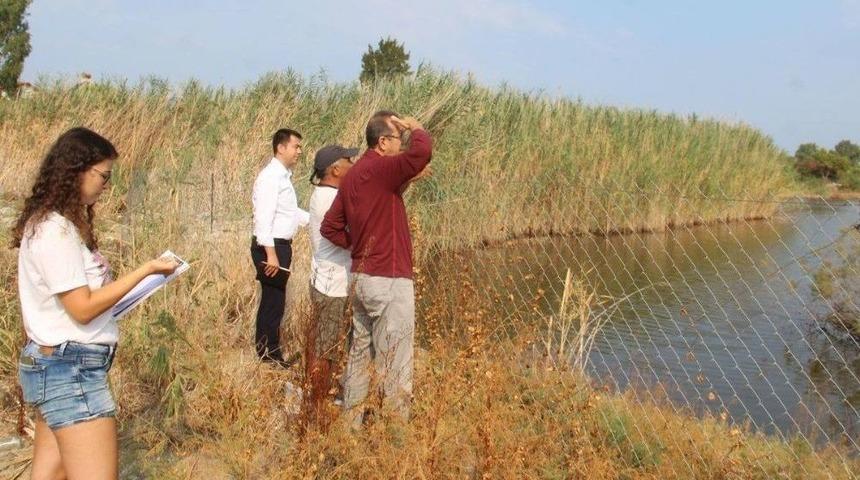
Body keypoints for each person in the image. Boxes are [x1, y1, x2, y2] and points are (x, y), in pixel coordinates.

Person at [12, 127, 179, 480]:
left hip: (56, 362)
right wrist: (145, 270)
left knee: (51, 471)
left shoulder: (54, 225)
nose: (107, 185)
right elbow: (83, 307)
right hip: (70, 368)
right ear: (77, 169)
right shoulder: (54, 231)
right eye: (104, 175)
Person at [320, 111, 432, 426]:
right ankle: (394, 441)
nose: (404, 141)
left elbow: (331, 227)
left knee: (359, 354)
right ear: (383, 142)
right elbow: (422, 152)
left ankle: (350, 427)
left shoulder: (354, 175)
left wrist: (358, 247)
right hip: (389, 278)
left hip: (361, 278)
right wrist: (418, 128)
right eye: (399, 137)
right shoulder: (382, 167)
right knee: (396, 360)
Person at [305, 145, 358, 423]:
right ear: (335, 169)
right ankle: (317, 402)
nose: (353, 163)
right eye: (349, 160)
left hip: (327, 278)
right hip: (332, 283)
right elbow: (345, 233)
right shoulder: (329, 198)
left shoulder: (325, 194)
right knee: (327, 347)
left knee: (327, 343)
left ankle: (322, 395)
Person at [250, 128, 309, 367]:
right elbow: (263, 219)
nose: (299, 151)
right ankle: (268, 356)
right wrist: (271, 255)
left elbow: (290, 213)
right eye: (296, 146)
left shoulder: (283, 177)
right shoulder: (270, 178)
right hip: (271, 247)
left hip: (279, 246)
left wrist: (319, 220)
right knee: (272, 303)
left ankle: (271, 353)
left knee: (276, 301)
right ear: (281, 147)